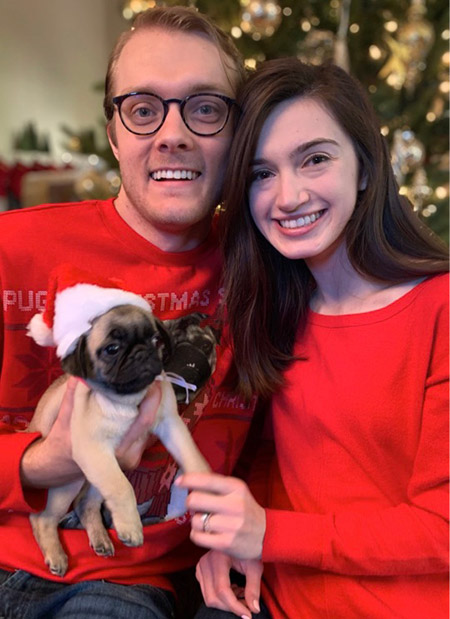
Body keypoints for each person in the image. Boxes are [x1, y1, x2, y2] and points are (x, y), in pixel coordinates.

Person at [0, 6, 258, 619]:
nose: (173, 134)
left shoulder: (266, 268)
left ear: (236, 133)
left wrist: (251, 531)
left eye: (204, 107)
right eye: (144, 109)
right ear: (114, 133)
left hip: (122, 581)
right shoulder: (12, 249)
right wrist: (44, 459)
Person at [176, 58, 449, 619]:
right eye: (261, 173)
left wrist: (269, 533)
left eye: (315, 159)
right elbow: (273, 455)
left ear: (366, 168)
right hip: (267, 598)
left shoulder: (439, 308)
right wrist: (232, 537)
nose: (288, 197)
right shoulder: (275, 305)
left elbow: (442, 529)